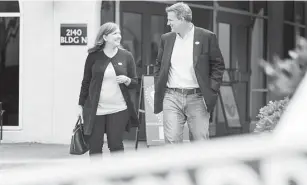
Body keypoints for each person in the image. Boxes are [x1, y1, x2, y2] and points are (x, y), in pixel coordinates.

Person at [154, 2, 225, 144]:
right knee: (172, 139)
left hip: (197, 97)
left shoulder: (206, 37)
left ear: (182, 19)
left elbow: (218, 65)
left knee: (200, 141)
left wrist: (211, 89)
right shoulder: (166, 39)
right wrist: (158, 83)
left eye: (171, 20)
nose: (168, 23)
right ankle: (175, 167)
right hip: (171, 96)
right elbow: (159, 64)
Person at [78, 22, 139, 156]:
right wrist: (80, 105)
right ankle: (96, 176)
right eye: (115, 33)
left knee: (116, 145)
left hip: (118, 109)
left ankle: (118, 176)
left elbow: (135, 82)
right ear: (105, 37)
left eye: (119, 33)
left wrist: (127, 80)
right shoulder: (93, 56)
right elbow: (86, 81)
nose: (119, 36)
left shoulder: (126, 56)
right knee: (95, 148)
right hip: (96, 110)